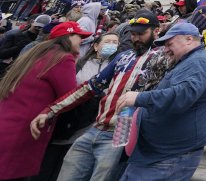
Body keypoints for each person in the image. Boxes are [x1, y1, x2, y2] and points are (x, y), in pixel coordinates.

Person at [31, 10, 169, 181]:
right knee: (69, 171)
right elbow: (90, 87)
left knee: (102, 176)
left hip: (123, 127)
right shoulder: (123, 56)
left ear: (156, 31)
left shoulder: (163, 59)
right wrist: (50, 110)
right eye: (133, 34)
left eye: (141, 34)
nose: (136, 38)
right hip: (97, 124)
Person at [113, 22, 206, 180]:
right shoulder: (191, 60)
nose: (165, 49)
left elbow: (183, 95)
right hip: (161, 154)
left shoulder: (199, 61)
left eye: (169, 44)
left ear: (188, 39)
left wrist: (139, 97)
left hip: (169, 156)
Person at [0, 21, 91, 180]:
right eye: (79, 36)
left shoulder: (35, 53)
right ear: (68, 37)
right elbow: (69, 97)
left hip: (7, 125)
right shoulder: (62, 58)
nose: (82, 40)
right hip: (24, 132)